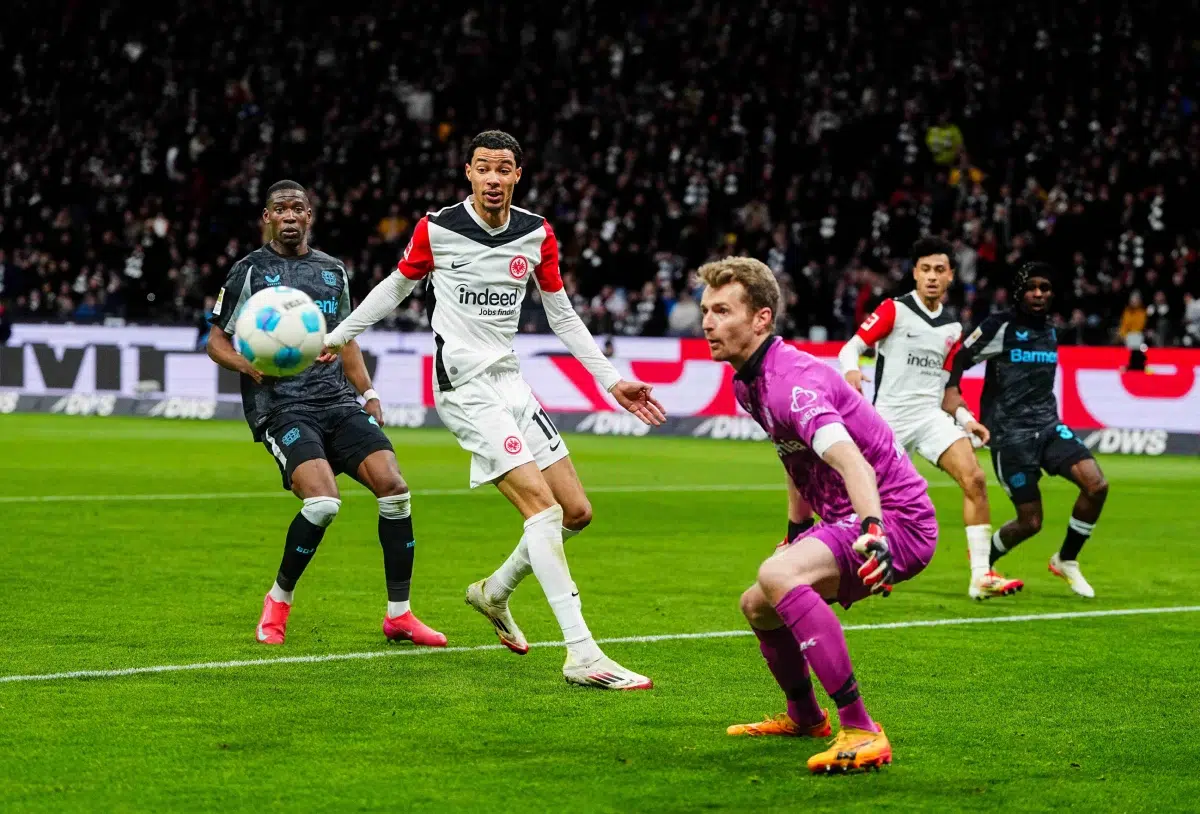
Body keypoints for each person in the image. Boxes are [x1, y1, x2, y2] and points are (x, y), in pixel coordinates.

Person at [320, 131, 667, 690]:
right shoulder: (437, 229)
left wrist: (611, 381)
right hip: (463, 387)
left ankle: (495, 592)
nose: (493, 179)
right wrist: (338, 336)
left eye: (504, 169)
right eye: (484, 168)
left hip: (511, 384)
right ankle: (581, 653)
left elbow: (562, 314)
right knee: (542, 511)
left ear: (517, 176)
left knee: (575, 511)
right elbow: (394, 288)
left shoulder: (536, 234)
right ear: (468, 173)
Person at [699, 256, 938, 773]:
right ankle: (806, 717)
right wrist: (796, 531)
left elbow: (853, 462)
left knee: (777, 575)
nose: (708, 322)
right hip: (845, 518)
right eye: (706, 310)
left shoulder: (791, 384)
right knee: (757, 604)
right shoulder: (748, 381)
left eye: (722, 310)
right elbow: (795, 458)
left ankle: (861, 727)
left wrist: (873, 531)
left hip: (895, 519)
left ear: (761, 318)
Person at [207, 180, 445, 647]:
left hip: (336, 400)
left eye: (298, 208)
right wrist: (246, 364)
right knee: (323, 502)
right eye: (281, 209)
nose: (290, 216)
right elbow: (217, 340)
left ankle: (399, 615)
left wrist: (369, 392)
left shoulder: (332, 271)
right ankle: (277, 602)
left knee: (395, 489)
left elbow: (348, 338)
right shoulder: (248, 272)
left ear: (309, 215)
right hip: (282, 407)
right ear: (267, 216)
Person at [838, 237, 1021, 600]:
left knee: (975, 479)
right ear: (915, 274)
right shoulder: (894, 309)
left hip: (929, 416)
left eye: (940, 270)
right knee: (860, 499)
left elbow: (949, 391)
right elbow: (851, 347)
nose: (932, 277)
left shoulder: (953, 329)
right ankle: (842, 562)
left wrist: (967, 420)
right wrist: (852, 371)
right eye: (925, 270)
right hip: (888, 420)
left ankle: (981, 576)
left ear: (951, 275)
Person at [944, 262, 1109, 597]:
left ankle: (1067, 559)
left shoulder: (1050, 330)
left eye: (1045, 288)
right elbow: (959, 357)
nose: (1038, 294)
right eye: (1032, 287)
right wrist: (952, 393)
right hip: (1010, 436)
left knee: (1096, 485)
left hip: (1049, 427)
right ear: (1020, 291)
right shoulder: (999, 326)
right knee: (1031, 523)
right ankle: (983, 566)